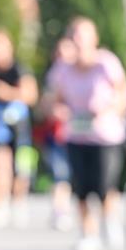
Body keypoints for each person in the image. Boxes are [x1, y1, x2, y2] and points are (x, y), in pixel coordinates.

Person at [46, 17, 126, 250]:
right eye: (75, 37)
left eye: (83, 37)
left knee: (104, 185)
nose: (79, 42)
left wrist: (108, 110)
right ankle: (88, 233)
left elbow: (123, 94)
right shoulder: (63, 69)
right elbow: (53, 100)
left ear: (94, 39)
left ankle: (110, 221)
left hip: (105, 136)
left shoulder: (106, 63)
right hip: (76, 134)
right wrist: (57, 110)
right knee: (81, 188)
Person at [0, 28, 38, 228]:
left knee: (21, 166)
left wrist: (5, 92)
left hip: (19, 126)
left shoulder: (19, 69)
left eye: (1, 45)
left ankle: (19, 202)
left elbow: (30, 95)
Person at [38, 36, 76, 231]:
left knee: (69, 173)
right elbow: (45, 103)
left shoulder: (79, 73)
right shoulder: (53, 75)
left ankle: (65, 208)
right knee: (59, 171)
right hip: (56, 132)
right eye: (59, 53)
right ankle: (59, 209)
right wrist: (53, 109)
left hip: (77, 134)